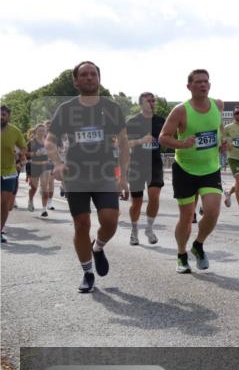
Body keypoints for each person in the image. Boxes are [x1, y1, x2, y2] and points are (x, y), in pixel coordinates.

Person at [46, 62, 129, 292]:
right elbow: (50, 140)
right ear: (76, 81)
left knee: (110, 220)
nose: (89, 78)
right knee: (82, 224)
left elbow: (123, 143)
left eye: (93, 74)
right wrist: (58, 163)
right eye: (84, 74)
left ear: (99, 79)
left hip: (104, 173)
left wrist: (123, 177)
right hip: (76, 175)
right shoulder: (66, 109)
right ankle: (87, 272)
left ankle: (98, 247)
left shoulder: (112, 108)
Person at [158, 69, 227, 274]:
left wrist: (222, 141)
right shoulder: (180, 111)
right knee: (187, 217)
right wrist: (182, 143)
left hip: (210, 168)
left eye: (206, 81)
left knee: (213, 211)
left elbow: (218, 127)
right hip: (185, 169)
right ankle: (181, 254)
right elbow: (163, 137)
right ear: (189, 86)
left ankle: (198, 244)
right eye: (198, 82)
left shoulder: (218, 105)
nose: (203, 85)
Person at [124, 92, 165, 245]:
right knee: (137, 202)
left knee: (154, 195)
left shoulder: (161, 121)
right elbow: (123, 143)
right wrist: (141, 140)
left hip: (154, 163)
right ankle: (134, 231)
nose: (152, 103)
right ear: (141, 103)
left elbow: (170, 136)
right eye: (149, 101)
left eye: (154, 100)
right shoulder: (133, 121)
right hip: (137, 164)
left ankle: (149, 228)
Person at [1, 105, 27, 243]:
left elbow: (23, 147)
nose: (1, 117)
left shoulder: (14, 131)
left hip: (9, 171)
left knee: (4, 203)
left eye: (4, 115)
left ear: (8, 117)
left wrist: (19, 154)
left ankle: (0, 230)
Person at [26, 123, 55, 216]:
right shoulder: (32, 142)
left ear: (46, 131)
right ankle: (30, 200)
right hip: (34, 166)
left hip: (45, 167)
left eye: (43, 130)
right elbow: (25, 154)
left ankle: (44, 209)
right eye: (39, 131)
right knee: (34, 188)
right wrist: (35, 154)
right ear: (35, 131)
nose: (41, 132)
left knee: (44, 189)